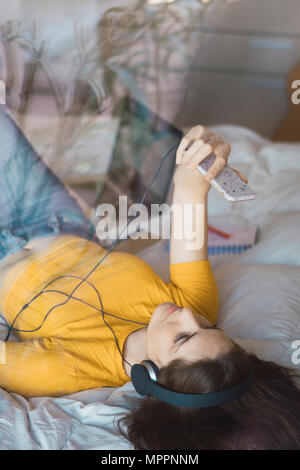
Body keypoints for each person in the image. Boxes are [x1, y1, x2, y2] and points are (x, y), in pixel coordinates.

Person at [0, 107, 299, 449]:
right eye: (209, 328)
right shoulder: (197, 305)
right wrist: (199, 157)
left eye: (183, 339)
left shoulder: (71, 369)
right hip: (56, 221)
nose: (187, 314)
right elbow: (189, 197)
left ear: (150, 374)